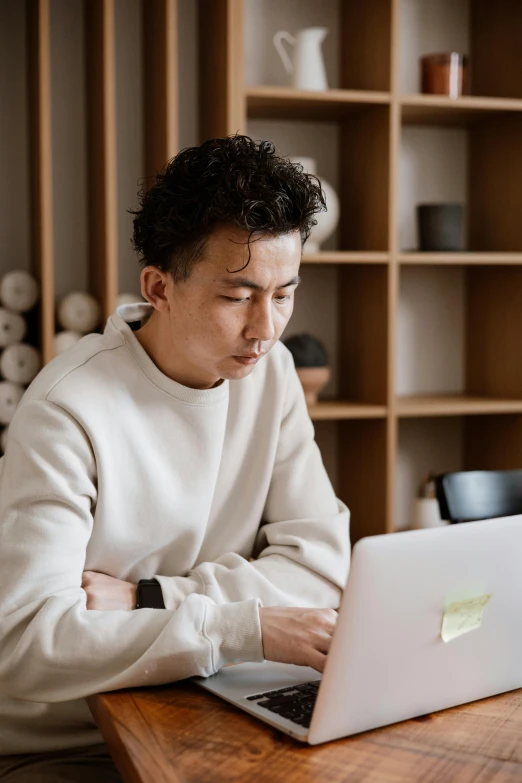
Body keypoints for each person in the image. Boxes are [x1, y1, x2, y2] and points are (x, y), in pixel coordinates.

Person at [0, 135, 350, 780]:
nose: (265, 330)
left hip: (217, 701)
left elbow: (324, 571)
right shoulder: (66, 409)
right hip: (71, 741)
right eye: (236, 296)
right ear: (159, 287)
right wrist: (251, 628)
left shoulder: (271, 374)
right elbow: (28, 644)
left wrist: (147, 597)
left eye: (284, 293)